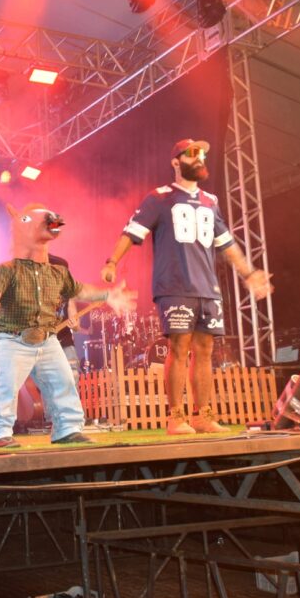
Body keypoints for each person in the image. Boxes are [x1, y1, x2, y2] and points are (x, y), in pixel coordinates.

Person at [101, 139, 272, 435]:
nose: (200, 157)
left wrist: (249, 273)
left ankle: (203, 416)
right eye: (192, 153)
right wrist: (112, 262)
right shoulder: (160, 197)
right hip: (174, 286)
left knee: (205, 350)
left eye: (202, 153)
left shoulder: (210, 201)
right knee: (179, 348)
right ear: (176, 162)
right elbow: (132, 231)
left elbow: (226, 243)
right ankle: (176, 416)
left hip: (207, 288)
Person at [0, 204, 134, 448]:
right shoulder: (7, 270)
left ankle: (67, 429)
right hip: (12, 339)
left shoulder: (58, 272)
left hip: (47, 339)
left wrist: (107, 295)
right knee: (6, 387)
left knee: (64, 383)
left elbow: (80, 289)